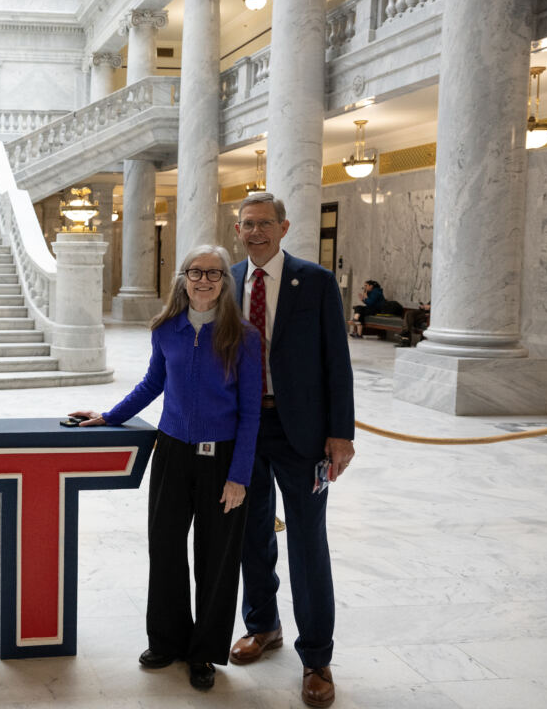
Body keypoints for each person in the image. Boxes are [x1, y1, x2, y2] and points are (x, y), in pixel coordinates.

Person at [69, 244, 261, 693]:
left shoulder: (245, 337)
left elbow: (251, 412)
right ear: (183, 277)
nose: (204, 280)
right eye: (196, 272)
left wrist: (240, 476)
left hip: (223, 460)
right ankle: (168, 641)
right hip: (172, 451)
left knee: (216, 560)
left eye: (214, 274)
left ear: (224, 283)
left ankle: (204, 652)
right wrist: (110, 416)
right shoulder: (167, 328)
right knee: (167, 549)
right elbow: (153, 383)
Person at [228, 192, 355, 709]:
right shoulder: (228, 281)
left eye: (264, 223)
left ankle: (316, 658)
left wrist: (340, 432)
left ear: (283, 227)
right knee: (249, 533)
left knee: (307, 542)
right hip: (245, 430)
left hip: (302, 432)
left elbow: (337, 362)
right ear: (237, 230)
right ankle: (262, 626)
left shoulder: (316, 282)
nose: (255, 232)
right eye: (246, 224)